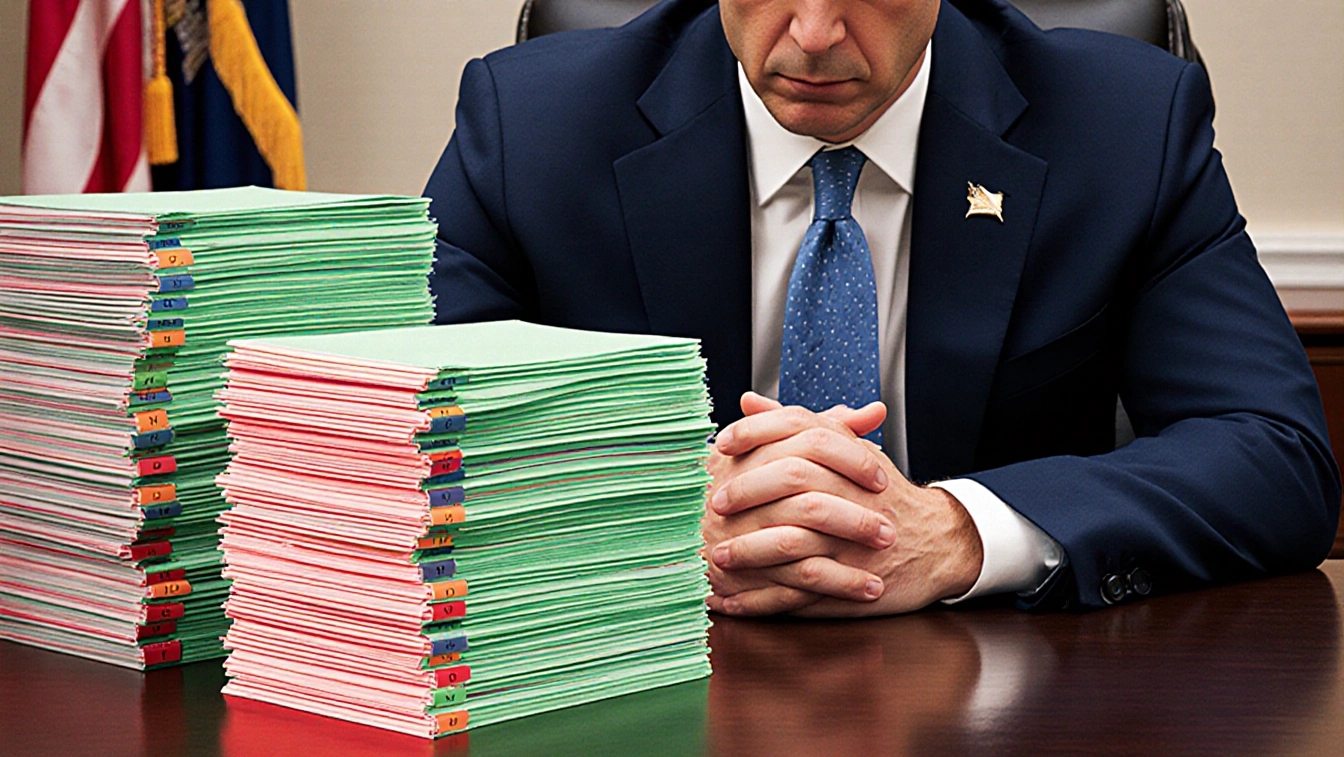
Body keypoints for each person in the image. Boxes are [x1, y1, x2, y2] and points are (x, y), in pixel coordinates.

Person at [424, 0, 1340, 614]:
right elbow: (383, 440)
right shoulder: (531, 124)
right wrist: (657, 517)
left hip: (1011, 706)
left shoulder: (1126, 123)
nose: (815, 34)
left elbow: (1277, 457)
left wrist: (961, 533)